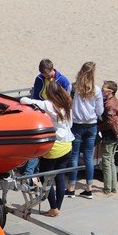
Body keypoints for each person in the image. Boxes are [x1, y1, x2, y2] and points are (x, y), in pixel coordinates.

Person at [19, 83, 73, 217]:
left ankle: (53, 207)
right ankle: (57, 208)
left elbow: (24, 100)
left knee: (45, 177)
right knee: (60, 177)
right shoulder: (67, 104)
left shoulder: (49, 105)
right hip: (67, 144)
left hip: (55, 147)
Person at [21, 60, 73, 175]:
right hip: (42, 112)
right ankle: (30, 174)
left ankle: (30, 174)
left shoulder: (63, 80)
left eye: (47, 74)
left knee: (42, 147)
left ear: (52, 70)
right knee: (38, 145)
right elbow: (36, 96)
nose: (45, 76)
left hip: (54, 113)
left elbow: (67, 98)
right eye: (44, 74)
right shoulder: (39, 79)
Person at [66, 61, 103, 198]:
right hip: (91, 125)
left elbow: (68, 104)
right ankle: (89, 188)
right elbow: (99, 111)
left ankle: (71, 187)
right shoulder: (96, 89)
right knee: (88, 157)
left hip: (77, 125)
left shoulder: (73, 87)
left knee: (74, 156)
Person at [98, 81, 118, 194]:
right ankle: (113, 187)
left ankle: (108, 188)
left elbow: (109, 122)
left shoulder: (109, 105)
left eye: (104, 89)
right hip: (116, 133)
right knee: (111, 160)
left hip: (110, 135)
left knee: (106, 162)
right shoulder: (114, 100)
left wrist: (98, 127)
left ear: (110, 91)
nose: (102, 91)